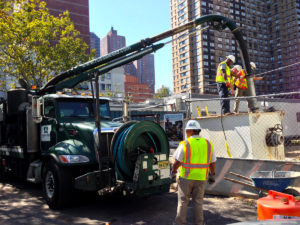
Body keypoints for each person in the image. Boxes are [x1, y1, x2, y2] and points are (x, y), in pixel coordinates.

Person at [172, 120, 216, 225]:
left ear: (191, 131)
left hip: (186, 177)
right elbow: (212, 162)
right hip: (201, 177)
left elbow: (177, 161)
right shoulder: (208, 144)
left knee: (183, 201)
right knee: (198, 202)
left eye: (187, 130)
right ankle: (199, 223)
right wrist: (212, 174)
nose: (186, 132)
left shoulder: (185, 144)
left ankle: (180, 223)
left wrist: (173, 171)